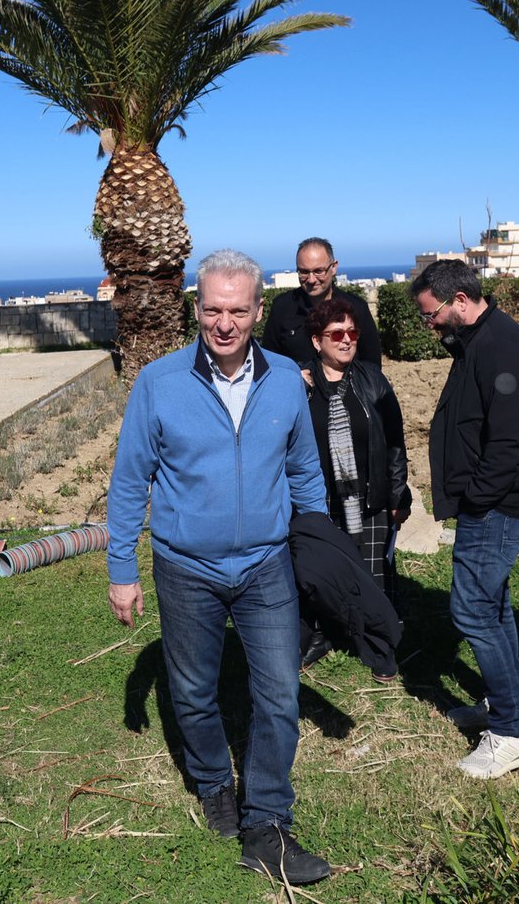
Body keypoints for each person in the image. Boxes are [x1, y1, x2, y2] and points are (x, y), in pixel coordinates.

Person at [106, 248, 333, 886]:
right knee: (193, 691)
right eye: (212, 310)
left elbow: (304, 472)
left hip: (266, 564)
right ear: (196, 309)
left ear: (259, 310)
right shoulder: (159, 383)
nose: (224, 323)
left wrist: (317, 553)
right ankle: (212, 783)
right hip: (186, 568)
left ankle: (267, 820)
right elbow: (129, 481)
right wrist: (122, 568)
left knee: (279, 692)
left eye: (237, 310)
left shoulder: (285, 378)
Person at [411, 258, 519, 779]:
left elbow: (513, 440)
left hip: (496, 504)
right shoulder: (477, 340)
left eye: (431, 314)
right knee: (492, 604)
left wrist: (477, 498)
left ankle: (510, 734)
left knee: (472, 609)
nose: (429, 325)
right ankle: (504, 702)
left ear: (461, 301)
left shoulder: (501, 345)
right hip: (490, 500)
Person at [298, 296, 412, 677]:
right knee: (320, 574)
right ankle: (323, 634)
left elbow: (395, 442)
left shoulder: (372, 380)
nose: (347, 340)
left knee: (373, 576)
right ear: (317, 341)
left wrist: (397, 493)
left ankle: (380, 645)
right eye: (336, 334)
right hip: (319, 502)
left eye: (352, 332)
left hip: (369, 498)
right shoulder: (300, 385)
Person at [262, 237, 382, 367]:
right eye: (304, 272)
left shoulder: (356, 308)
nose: (311, 279)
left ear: (334, 267)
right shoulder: (282, 307)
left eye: (318, 271)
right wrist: (295, 375)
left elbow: (372, 364)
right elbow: (270, 360)